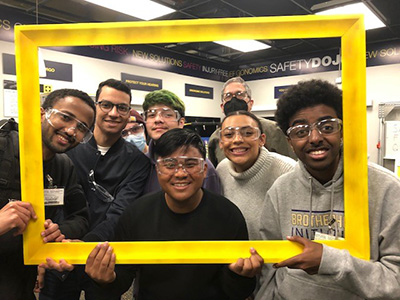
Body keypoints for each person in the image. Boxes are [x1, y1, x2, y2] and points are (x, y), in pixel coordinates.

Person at [43, 128, 264, 300]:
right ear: (157, 170)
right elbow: (121, 281)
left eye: (190, 164)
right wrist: (105, 280)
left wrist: (241, 275)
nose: (180, 173)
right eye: (169, 164)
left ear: (204, 169)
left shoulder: (228, 215)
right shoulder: (137, 214)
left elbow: (236, 290)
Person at [256, 79, 400, 299]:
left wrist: (329, 260)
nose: (315, 138)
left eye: (326, 126)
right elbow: (268, 271)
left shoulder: (387, 189)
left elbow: (396, 280)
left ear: (342, 130)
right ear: (290, 141)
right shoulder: (279, 190)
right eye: (301, 131)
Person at [39, 79, 151, 300]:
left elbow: (121, 212)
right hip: (61, 251)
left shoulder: (137, 162)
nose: (113, 113)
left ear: (129, 112)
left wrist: (87, 244)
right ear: (96, 106)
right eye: (106, 105)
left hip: (104, 256)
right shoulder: (66, 148)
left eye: (122, 107)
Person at [0, 88, 96, 300]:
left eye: (81, 127)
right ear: (42, 113)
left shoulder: (63, 166)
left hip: (21, 282)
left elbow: (80, 217)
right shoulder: (3, 146)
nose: (72, 131)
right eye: (66, 117)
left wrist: (57, 232)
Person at [216, 110, 295, 239]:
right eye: (229, 134)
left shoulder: (287, 170)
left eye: (248, 133)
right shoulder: (221, 170)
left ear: (261, 139)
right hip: (236, 256)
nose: (237, 140)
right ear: (220, 142)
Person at [142, 89, 221, 194]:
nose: (158, 120)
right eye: (152, 115)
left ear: (181, 123)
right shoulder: (141, 164)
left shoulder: (201, 168)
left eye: (167, 114)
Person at [208, 77, 296, 167]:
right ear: (222, 106)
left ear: (250, 103)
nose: (234, 100)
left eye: (239, 94)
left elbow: (293, 167)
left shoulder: (274, 130)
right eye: (228, 96)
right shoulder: (216, 138)